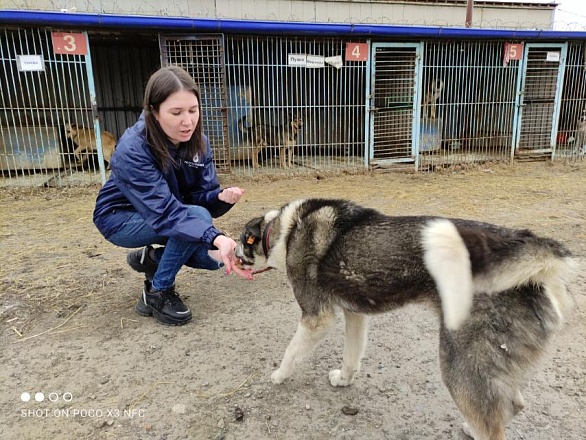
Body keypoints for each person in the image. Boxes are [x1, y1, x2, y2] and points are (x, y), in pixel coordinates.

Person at [93, 65, 252, 326]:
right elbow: (167, 212)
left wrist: (218, 198)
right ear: (154, 112)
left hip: (171, 212)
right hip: (121, 218)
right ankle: (157, 291)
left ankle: (152, 259)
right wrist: (217, 236)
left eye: (193, 110)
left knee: (211, 258)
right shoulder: (133, 149)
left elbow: (199, 196)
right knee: (201, 225)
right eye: (176, 112)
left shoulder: (197, 141)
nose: (187, 121)